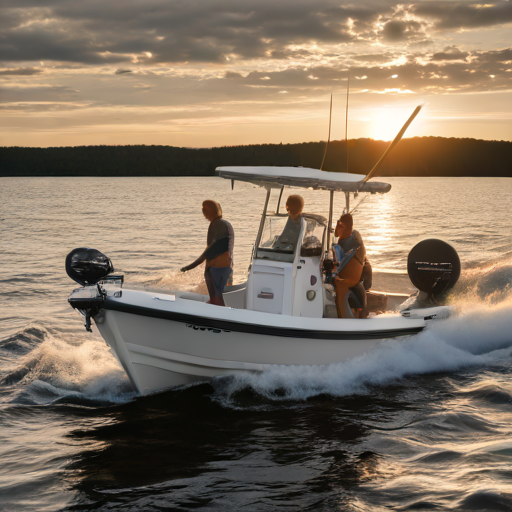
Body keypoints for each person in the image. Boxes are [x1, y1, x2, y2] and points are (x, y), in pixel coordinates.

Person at [181, 200, 234, 306]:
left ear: (210, 212)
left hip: (215, 269)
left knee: (217, 301)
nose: (205, 216)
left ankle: (215, 318)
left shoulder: (215, 225)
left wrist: (188, 267)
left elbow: (209, 252)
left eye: (205, 213)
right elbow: (225, 249)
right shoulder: (227, 224)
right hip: (228, 268)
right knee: (220, 299)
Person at [332, 213, 366, 318]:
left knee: (336, 284)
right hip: (354, 275)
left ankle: (344, 319)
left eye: (339, 225)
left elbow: (341, 266)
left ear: (345, 226)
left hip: (348, 278)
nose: (336, 228)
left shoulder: (350, 246)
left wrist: (333, 275)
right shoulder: (353, 237)